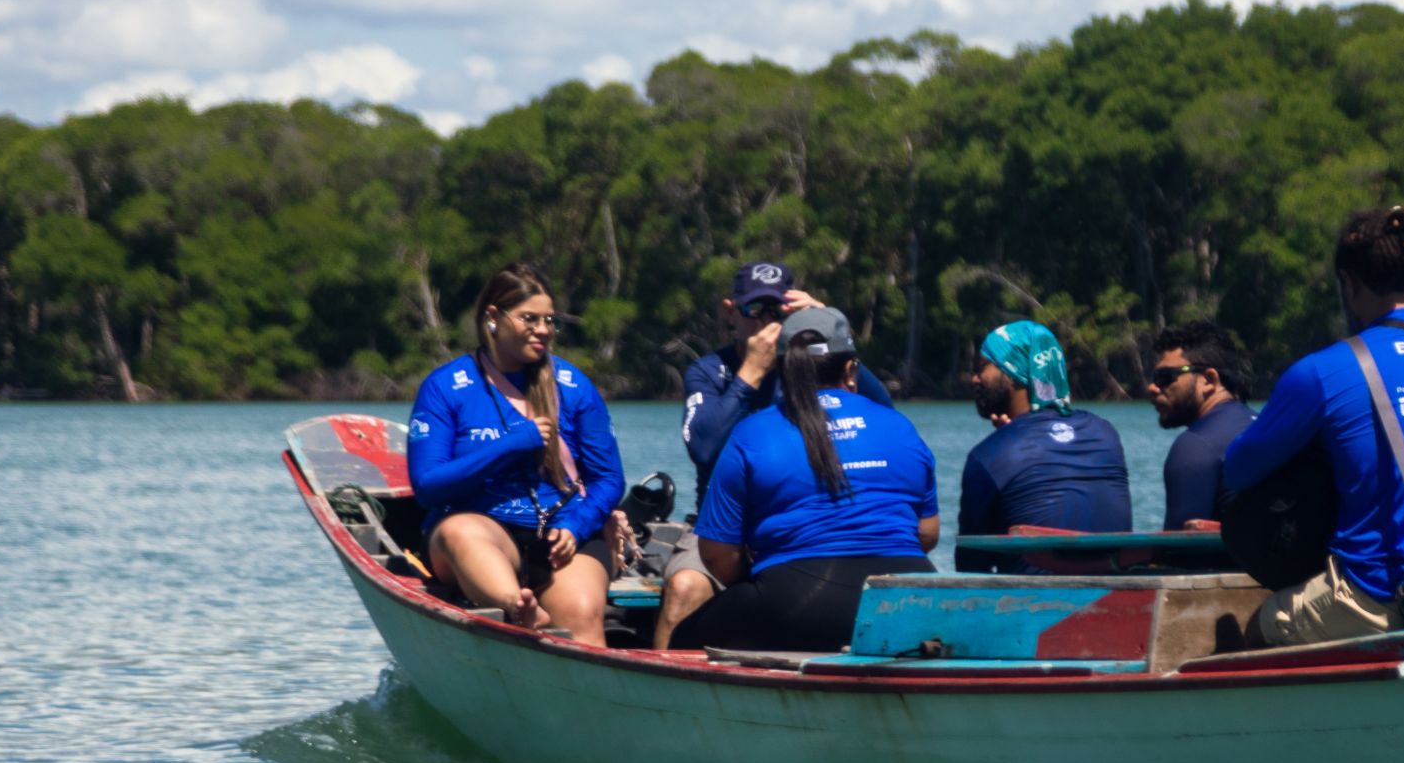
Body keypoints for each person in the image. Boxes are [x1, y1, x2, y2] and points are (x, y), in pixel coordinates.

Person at [1223, 206, 1404, 647]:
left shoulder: (1324, 371)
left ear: (1349, 286)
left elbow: (1237, 471)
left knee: (1262, 624)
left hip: (1385, 595)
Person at [654, 260, 900, 644]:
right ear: (731, 311)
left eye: (778, 310)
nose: (766, 321)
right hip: (721, 530)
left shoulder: (810, 370)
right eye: (754, 309)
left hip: (798, 525)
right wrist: (751, 373)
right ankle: (662, 677)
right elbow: (703, 448)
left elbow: (882, 417)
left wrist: (830, 332)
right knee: (685, 587)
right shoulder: (709, 371)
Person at [407, 261, 625, 646]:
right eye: (529, 319)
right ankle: (518, 607)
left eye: (549, 321)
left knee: (581, 612)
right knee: (460, 532)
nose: (543, 330)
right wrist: (509, 446)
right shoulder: (445, 387)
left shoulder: (573, 386)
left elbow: (608, 479)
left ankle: (593, 675)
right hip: (482, 531)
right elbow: (427, 486)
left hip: (560, 534)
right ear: (493, 317)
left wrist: (577, 526)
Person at [955, 320, 1132, 572]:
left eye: (982, 367)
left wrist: (1004, 441)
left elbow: (972, 564)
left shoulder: (990, 455)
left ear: (1014, 371)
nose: (975, 378)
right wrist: (1009, 438)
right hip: (1115, 589)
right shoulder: (1105, 433)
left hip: (1035, 596)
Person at [1147, 320, 1254, 530]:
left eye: (1165, 377)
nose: (1152, 387)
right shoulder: (1265, 425)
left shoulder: (1196, 446)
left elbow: (1179, 547)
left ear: (1208, 379)